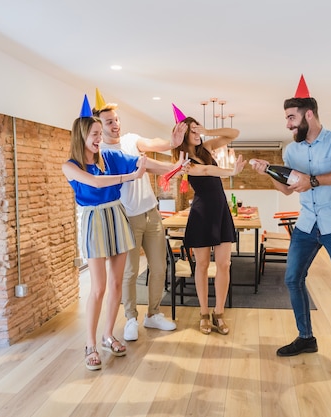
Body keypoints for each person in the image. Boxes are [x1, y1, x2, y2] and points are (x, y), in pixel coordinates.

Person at [250, 75, 331, 372]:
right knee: (292, 279)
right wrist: (269, 173)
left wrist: (313, 181)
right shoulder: (291, 151)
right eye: (286, 118)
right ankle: (306, 337)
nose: (287, 124)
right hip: (306, 224)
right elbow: (288, 188)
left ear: (308, 114)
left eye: (291, 117)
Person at [62, 109, 185, 370]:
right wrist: (130, 177)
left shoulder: (108, 156)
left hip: (118, 215)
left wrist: (174, 167)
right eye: (95, 134)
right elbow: (95, 182)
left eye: (99, 134)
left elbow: (144, 163)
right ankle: (90, 344)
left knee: (117, 283)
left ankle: (108, 335)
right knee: (98, 287)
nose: (99, 139)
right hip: (94, 220)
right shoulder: (70, 165)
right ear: (82, 135)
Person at [95, 98, 187, 341]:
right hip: (127, 217)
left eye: (116, 120)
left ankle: (153, 314)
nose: (115, 125)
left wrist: (172, 143)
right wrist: (173, 165)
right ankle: (131, 318)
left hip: (152, 213)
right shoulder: (103, 153)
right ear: (98, 125)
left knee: (159, 267)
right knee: (130, 272)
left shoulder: (130, 140)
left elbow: (152, 143)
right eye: (109, 122)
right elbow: (145, 167)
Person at [171, 116, 246, 335]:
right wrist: (230, 172)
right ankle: (204, 313)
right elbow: (205, 172)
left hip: (221, 210)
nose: (197, 135)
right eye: (192, 131)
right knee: (202, 265)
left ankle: (219, 312)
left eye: (197, 130)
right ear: (183, 135)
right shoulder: (184, 160)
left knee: (224, 264)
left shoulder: (206, 147)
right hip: (202, 213)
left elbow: (235, 133)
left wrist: (208, 130)